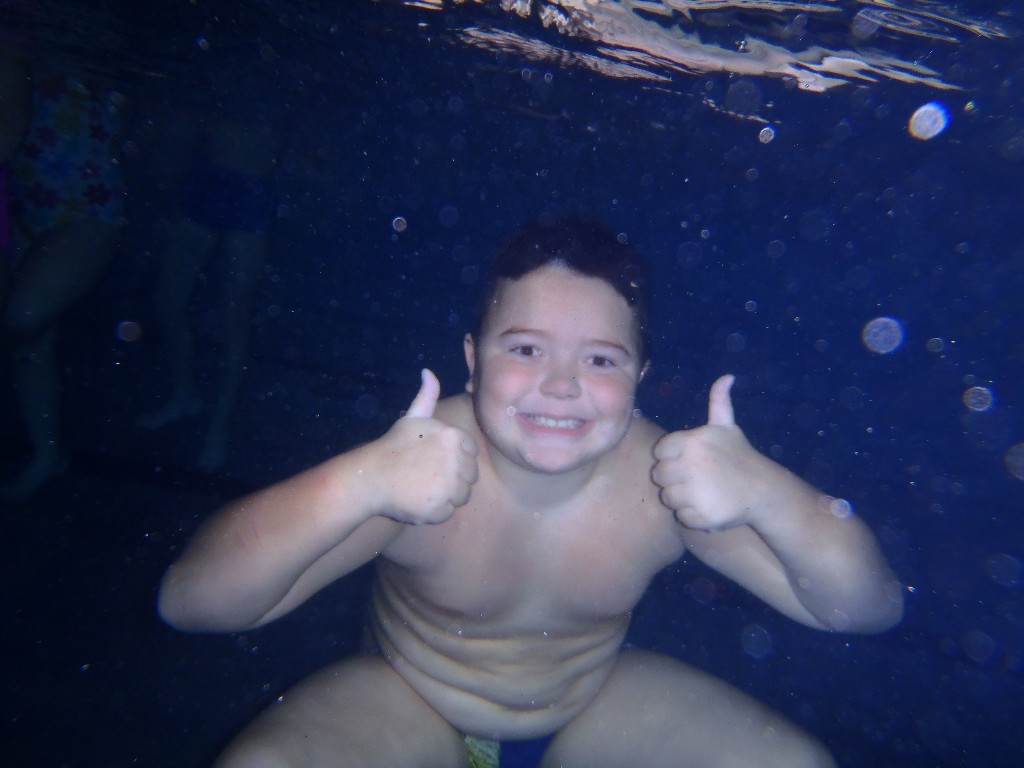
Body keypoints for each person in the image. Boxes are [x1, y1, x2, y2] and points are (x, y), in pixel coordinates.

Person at [158, 218, 904, 767]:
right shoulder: (414, 471)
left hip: (591, 710)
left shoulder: (666, 479)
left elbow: (864, 608)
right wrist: (363, 481)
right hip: (408, 707)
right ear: (472, 360)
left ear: (640, 377)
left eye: (601, 360)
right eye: (525, 349)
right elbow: (193, 602)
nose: (561, 386)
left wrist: (767, 492)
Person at [1, 39, 125, 503]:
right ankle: (47, 455)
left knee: (18, 319)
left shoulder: (93, 44)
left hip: (87, 212)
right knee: (29, 348)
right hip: (21, 202)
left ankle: (48, 455)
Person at [133, 85, 279, 472]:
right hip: (206, 181)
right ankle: (184, 395)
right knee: (166, 301)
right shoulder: (221, 65)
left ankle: (219, 428)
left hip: (251, 191)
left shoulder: (287, 75)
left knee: (234, 320)